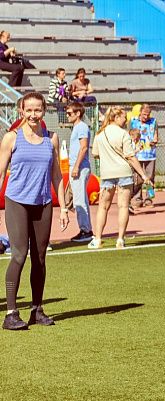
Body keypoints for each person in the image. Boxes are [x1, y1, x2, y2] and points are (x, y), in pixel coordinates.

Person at [0, 92, 69, 330]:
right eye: (28, 110)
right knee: (19, 254)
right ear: (21, 111)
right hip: (17, 202)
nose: (33, 114)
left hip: (43, 203)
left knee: (40, 258)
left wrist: (63, 207)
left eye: (37, 110)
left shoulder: (52, 139)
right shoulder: (11, 138)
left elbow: (57, 175)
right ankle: (10, 313)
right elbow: (0, 173)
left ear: (44, 111)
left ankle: (36, 310)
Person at [88, 106, 151, 250]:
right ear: (116, 118)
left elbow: (95, 153)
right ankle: (120, 239)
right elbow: (130, 157)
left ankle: (97, 239)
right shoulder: (123, 134)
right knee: (123, 206)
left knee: (103, 207)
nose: (126, 120)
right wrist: (142, 174)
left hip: (107, 173)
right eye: (124, 118)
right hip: (123, 172)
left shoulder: (100, 134)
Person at [66, 101, 93, 242]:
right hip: (79, 166)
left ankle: (85, 230)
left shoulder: (81, 127)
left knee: (79, 200)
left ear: (78, 113)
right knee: (80, 199)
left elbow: (83, 148)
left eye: (70, 113)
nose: (67, 115)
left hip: (80, 167)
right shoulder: (77, 127)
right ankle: (86, 229)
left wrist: (76, 166)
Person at [129, 103, 158, 207]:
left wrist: (155, 140)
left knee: (150, 177)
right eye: (144, 114)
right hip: (137, 154)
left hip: (150, 153)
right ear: (140, 112)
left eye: (148, 114)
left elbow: (155, 134)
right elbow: (130, 135)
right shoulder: (133, 121)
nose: (146, 117)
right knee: (138, 178)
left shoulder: (153, 121)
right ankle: (137, 198)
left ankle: (149, 199)